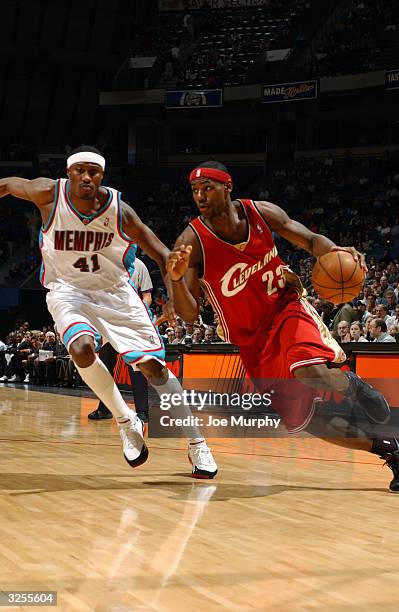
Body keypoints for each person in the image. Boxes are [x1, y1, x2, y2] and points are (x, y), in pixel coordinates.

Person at [166, 160, 399, 492]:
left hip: (285, 308)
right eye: (195, 190)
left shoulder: (261, 212)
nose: (200, 196)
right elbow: (188, 315)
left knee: (308, 370)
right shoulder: (193, 240)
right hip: (251, 341)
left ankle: (352, 384)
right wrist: (176, 281)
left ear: (228, 186)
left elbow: (308, 239)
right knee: (306, 421)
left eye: (208, 188)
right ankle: (389, 451)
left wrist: (335, 251)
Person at [0, 147, 217, 479]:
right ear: (69, 172)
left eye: (94, 172)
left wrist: (173, 285)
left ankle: (196, 442)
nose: (87, 177)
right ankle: (125, 421)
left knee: (152, 369)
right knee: (80, 348)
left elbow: (161, 253)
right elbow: (9, 184)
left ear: (102, 175)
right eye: (80, 171)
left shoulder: (120, 210)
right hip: (68, 290)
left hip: (114, 293)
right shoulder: (47, 193)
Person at [88, 258, 153, 423]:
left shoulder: (139, 265)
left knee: (136, 367)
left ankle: (143, 411)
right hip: (109, 324)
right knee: (105, 368)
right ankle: (104, 409)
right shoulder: (106, 262)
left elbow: (147, 295)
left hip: (130, 324)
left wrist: (138, 311)